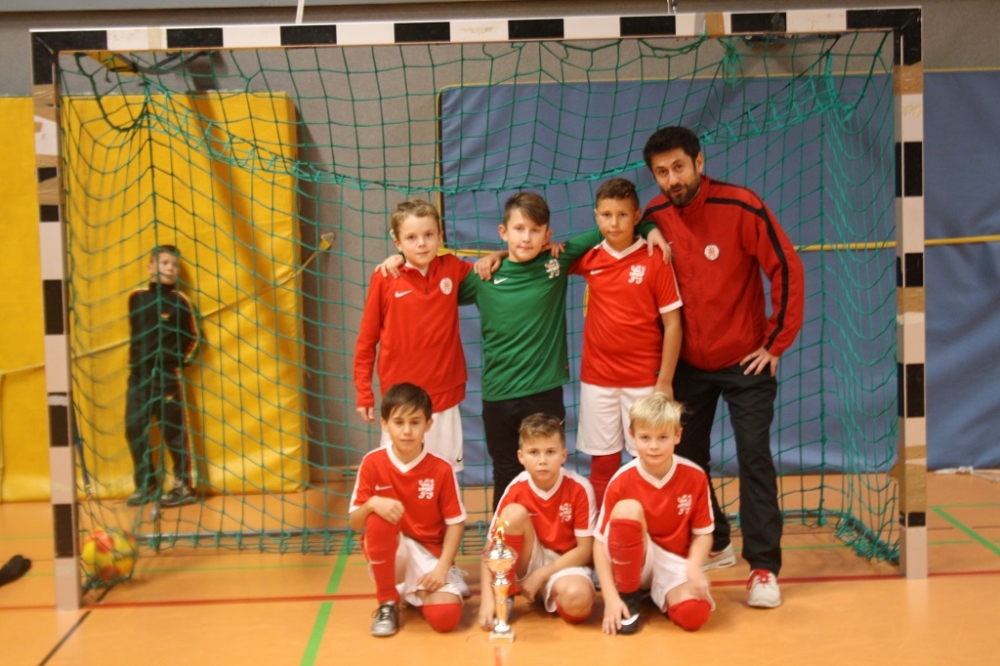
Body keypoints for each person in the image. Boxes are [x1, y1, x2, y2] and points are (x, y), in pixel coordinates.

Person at [641, 126, 806, 608]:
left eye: (678, 167)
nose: (672, 179)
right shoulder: (654, 215)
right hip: (689, 365)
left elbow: (787, 267)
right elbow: (613, 232)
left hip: (745, 362)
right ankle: (715, 541)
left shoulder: (741, 205)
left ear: (699, 162)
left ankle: (763, 567)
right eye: (661, 172)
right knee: (686, 459)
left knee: (753, 456)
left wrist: (775, 343)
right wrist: (648, 229)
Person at [456, 192, 667, 511]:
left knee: (549, 473)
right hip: (498, 395)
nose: (526, 238)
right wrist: (400, 259)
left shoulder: (555, 262)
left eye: (535, 230)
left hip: (544, 393)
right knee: (507, 472)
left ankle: (554, 536)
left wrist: (649, 228)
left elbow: (611, 228)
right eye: (518, 229)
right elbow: (436, 280)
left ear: (547, 236)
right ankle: (503, 539)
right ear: (503, 232)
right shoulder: (483, 276)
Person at [570, 178, 683, 504]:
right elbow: (540, 255)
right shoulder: (588, 258)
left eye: (622, 215)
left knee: (647, 459)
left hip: (644, 381)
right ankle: (601, 529)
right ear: (596, 216)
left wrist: (664, 381)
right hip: (598, 379)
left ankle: (649, 526)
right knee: (603, 463)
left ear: (636, 216)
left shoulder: (655, 258)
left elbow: (673, 324)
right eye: (606, 215)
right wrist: (501, 253)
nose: (614, 223)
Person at [354, 200, 472, 471]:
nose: (421, 244)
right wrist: (364, 392)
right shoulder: (385, 277)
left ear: (440, 236)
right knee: (399, 477)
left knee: (444, 476)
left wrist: (497, 256)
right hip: (400, 402)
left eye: (428, 235)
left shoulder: (452, 267)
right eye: (411, 238)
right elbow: (366, 341)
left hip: (444, 398)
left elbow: (496, 264)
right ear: (397, 243)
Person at [349, 383, 467, 637]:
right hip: (393, 552)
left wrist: (442, 568)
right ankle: (387, 601)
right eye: (398, 422)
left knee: (446, 618)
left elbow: (456, 523)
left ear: (428, 425)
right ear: (384, 424)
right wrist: (371, 504)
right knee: (378, 518)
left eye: (415, 422)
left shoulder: (441, 468)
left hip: (429, 553)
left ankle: (415, 591)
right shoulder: (372, 462)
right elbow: (355, 523)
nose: (406, 431)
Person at [593, 393, 714, 635]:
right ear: (632, 436)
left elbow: (704, 534)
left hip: (673, 563)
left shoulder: (695, 476)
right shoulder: (621, 480)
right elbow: (599, 543)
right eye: (645, 437)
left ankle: (660, 594)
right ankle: (628, 596)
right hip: (635, 562)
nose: (654, 446)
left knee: (694, 615)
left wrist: (693, 568)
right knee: (627, 510)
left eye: (663, 437)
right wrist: (610, 597)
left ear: (677, 435)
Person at [477, 413, 597, 630]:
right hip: (528, 559)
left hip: (564, 564)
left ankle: (549, 594)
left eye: (550, 452)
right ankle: (504, 594)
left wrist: (542, 574)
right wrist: (487, 600)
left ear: (563, 455)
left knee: (579, 601)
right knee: (513, 514)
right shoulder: (515, 489)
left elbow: (585, 551)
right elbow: (491, 548)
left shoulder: (580, 488)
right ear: (521, 456)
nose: (542, 460)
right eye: (534, 452)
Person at [125, 244, 200, 507]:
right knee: (134, 428)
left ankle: (184, 486)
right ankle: (146, 484)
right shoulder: (136, 298)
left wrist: (175, 363)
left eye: (174, 265)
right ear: (150, 267)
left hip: (167, 378)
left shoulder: (181, 301)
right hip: (138, 378)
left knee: (175, 431)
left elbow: (194, 338)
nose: (170, 268)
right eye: (165, 263)